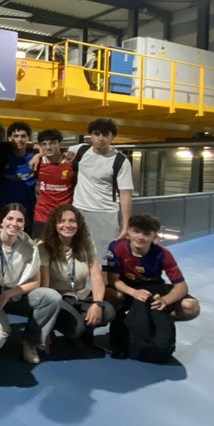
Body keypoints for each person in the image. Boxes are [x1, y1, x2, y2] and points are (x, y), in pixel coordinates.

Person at [0, 203, 62, 365]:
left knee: (51, 297)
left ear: (24, 224)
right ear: (2, 221)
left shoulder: (29, 246)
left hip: (14, 293)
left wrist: (8, 294)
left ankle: (31, 342)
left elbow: (36, 282)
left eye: (19, 220)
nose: (14, 224)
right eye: (10, 218)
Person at [38, 204, 114, 343]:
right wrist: (45, 327)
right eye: (62, 221)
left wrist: (97, 303)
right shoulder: (44, 246)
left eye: (72, 221)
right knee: (76, 328)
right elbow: (44, 285)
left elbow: (96, 275)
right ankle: (61, 328)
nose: (68, 225)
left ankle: (86, 332)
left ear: (78, 224)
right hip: (58, 297)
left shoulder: (86, 242)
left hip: (80, 294)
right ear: (54, 225)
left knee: (108, 312)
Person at [106, 213, 200, 324]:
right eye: (136, 231)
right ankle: (120, 323)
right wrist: (134, 292)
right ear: (129, 231)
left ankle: (159, 322)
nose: (140, 237)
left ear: (154, 236)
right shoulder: (116, 247)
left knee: (191, 307)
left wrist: (165, 300)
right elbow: (113, 280)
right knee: (110, 294)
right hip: (127, 288)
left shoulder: (163, 254)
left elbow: (182, 287)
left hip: (154, 289)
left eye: (146, 234)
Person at [67, 117, 133, 264]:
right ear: (90, 135)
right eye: (96, 134)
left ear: (112, 136)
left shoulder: (120, 161)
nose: (100, 138)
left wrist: (126, 225)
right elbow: (56, 151)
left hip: (105, 213)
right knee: (77, 255)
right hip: (79, 210)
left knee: (103, 258)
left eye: (105, 134)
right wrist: (37, 155)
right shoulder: (80, 150)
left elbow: (125, 194)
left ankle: (101, 280)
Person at [0, 122, 38, 230]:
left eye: (23, 136)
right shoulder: (1, 154)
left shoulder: (34, 156)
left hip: (27, 211)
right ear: (9, 138)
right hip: (2, 209)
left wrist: (39, 154)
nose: (19, 139)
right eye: (16, 136)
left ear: (29, 138)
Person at [33, 129, 76, 236]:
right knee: (40, 245)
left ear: (60, 144)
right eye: (44, 144)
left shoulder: (72, 163)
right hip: (42, 216)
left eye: (52, 143)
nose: (48, 147)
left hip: (64, 217)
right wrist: (37, 156)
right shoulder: (37, 163)